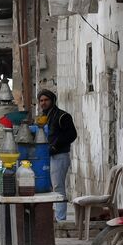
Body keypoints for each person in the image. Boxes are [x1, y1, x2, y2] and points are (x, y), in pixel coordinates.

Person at [36, 90, 77, 223]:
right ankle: (51, 217)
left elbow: (71, 135)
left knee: (58, 187)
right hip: (46, 157)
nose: (43, 103)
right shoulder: (43, 117)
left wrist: (55, 146)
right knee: (47, 187)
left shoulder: (62, 116)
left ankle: (60, 219)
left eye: (46, 100)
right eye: (41, 100)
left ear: (52, 100)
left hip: (59, 156)